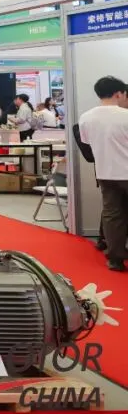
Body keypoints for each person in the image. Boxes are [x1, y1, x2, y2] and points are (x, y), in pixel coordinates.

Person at [78, 76, 128, 272]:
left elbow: (87, 143)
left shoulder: (86, 117)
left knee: (112, 215)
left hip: (105, 172)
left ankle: (115, 259)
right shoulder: (125, 116)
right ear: (119, 93)